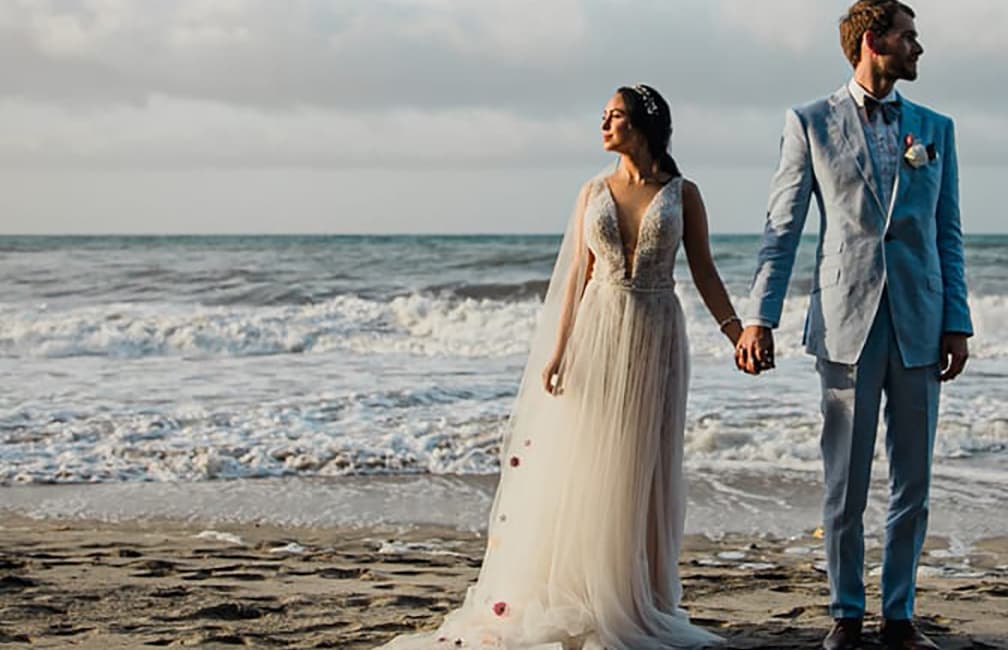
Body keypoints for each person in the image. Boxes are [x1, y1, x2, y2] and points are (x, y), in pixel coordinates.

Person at [380, 83, 735, 650]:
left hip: (656, 334)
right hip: (597, 330)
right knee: (591, 459)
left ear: (643, 124)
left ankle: (636, 591)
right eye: (603, 116)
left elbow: (706, 271)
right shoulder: (591, 190)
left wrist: (735, 330)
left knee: (641, 467)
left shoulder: (683, 193)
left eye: (614, 116)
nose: (604, 124)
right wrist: (559, 348)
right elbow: (575, 277)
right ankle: (584, 589)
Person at [733, 2, 971, 649]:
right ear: (874, 42)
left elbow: (947, 233)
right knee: (845, 479)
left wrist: (958, 321)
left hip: (920, 323)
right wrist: (760, 317)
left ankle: (899, 615)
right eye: (908, 36)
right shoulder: (809, 122)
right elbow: (781, 229)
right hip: (845, 325)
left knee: (913, 481)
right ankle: (845, 611)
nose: (918, 48)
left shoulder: (936, 130)